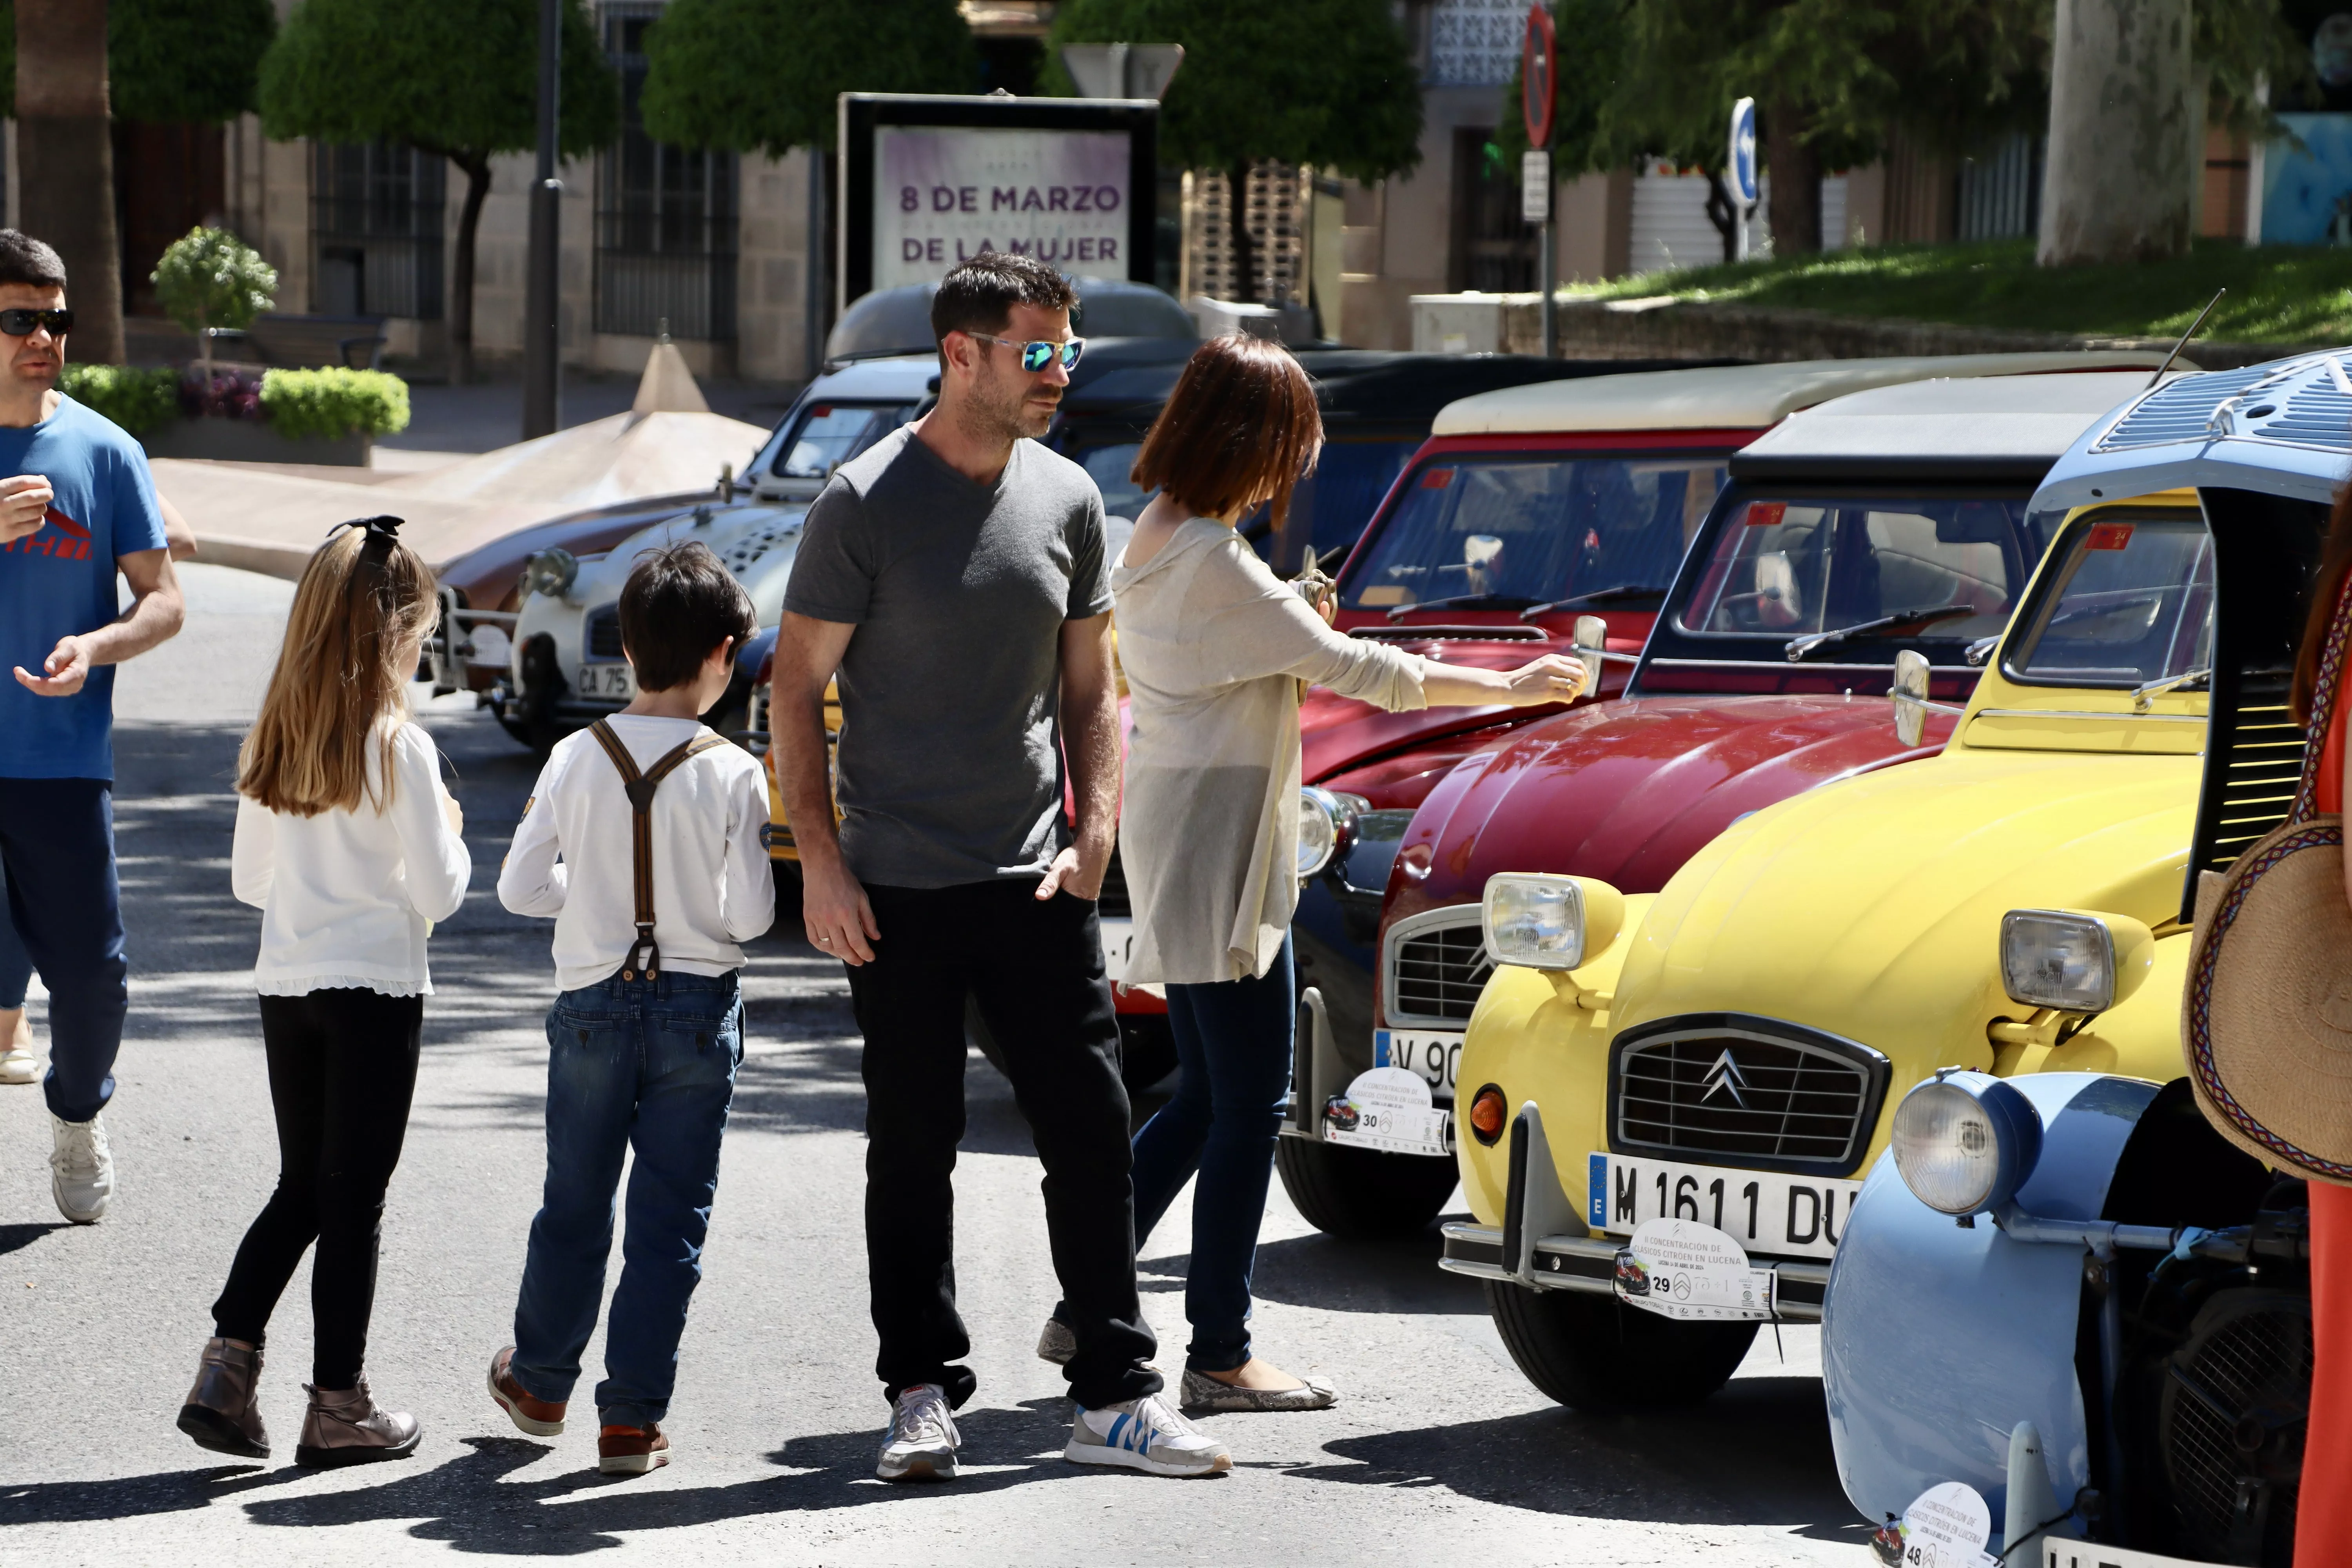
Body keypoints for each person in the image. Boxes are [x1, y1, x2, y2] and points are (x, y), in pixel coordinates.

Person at [1037, 334, 1588, 1411]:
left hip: (1183, 830)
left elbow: (1263, 648)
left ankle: (1090, 1302)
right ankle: (1218, 1352)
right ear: (1248, 443)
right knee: (1253, 1104)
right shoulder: (1213, 559)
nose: (1299, 469)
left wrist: (1296, 616)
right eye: (1293, 448)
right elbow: (1362, 673)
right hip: (1222, 846)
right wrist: (1513, 679)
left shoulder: (1156, 535)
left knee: (1204, 1097)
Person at [775, 251, 1229, 1481]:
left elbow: (1094, 689)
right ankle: (920, 1390)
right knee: (911, 1148)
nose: (1059, 374)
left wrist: (1096, 835)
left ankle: (1116, 1394)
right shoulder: (861, 503)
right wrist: (818, 860)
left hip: (1036, 878)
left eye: (1068, 352)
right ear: (960, 354)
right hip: (897, 885)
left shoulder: (1071, 499)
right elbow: (796, 685)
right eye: (1038, 352)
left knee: (1090, 1127)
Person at [178, 516, 470, 1466]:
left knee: (303, 1183)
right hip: (378, 986)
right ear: (393, 631)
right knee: (356, 1201)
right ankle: (339, 1401)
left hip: (287, 983)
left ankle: (229, 1363)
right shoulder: (402, 748)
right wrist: (454, 831)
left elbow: (247, 882)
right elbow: (440, 892)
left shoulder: (281, 733)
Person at [488, 541, 770, 1478]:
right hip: (697, 1007)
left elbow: (523, 888)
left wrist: (597, 892)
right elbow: (755, 915)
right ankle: (631, 1419)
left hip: (594, 1003)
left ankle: (538, 1381)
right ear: (724, 652)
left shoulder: (575, 753)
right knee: (668, 1219)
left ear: (630, 643)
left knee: (573, 1200)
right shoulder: (734, 768)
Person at [0, 228, 183, 1223]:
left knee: (93, 978)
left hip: (61, 762)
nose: (44, 336)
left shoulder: (107, 449)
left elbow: (165, 599)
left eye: (56, 318)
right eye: (20, 318)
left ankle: (76, 1115)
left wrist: (99, 647)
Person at [0, 497, 191, 1088]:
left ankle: (9, 1017)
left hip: (53, 739)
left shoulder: (95, 448)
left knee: (40, 909)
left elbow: (179, 540)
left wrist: (96, 530)